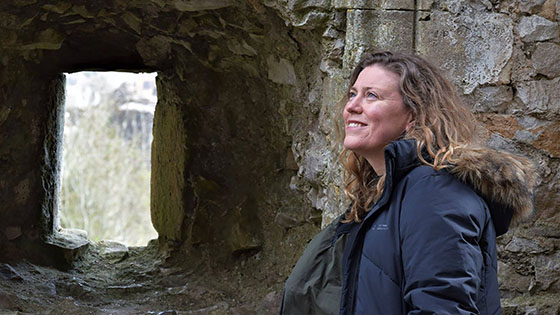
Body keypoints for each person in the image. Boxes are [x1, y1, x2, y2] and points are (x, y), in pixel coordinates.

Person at [281, 51, 537, 315]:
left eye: (371, 95)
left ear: (413, 116)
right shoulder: (379, 196)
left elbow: (442, 309)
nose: (352, 107)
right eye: (352, 94)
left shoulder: (434, 192)